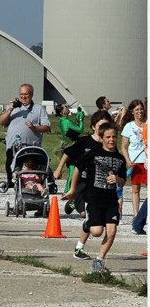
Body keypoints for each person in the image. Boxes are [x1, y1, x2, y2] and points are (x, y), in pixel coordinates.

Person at [62, 123, 126, 273]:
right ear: (102, 138)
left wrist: (117, 179)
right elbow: (77, 169)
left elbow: (123, 181)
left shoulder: (120, 159)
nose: (112, 140)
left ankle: (99, 260)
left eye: (114, 137)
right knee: (97, 232)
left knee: (111, 232)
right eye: (108, 137)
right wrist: (72, 189)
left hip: (110, 200)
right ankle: (88, 222)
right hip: (93, 198)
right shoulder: (93, 154)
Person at [54, 110, 112, 259]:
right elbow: (68, 152)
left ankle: (79, 248)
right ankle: (75, 201)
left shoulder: (109, 144)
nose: (104, 129)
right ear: (93, 126)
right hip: (82, 184)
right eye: (101, 126)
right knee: (87, 215)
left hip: (98, 187)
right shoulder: (84, 142)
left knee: (91, 218)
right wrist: (59, 169)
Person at [0, 84, 51, 187]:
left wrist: (34, 128)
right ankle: (11, 182)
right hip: (12, 145)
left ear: (31, 94)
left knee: (29, 167)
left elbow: (47, 127)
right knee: (10, 164)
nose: (23, 97)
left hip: (30, 147)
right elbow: (2, 122)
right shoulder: (14, 108)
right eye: (21, 94)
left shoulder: (39, 109)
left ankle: (30, 184)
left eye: (26, 94)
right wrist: (10, 110)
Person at [120, 99, 147, 219]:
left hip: (147, 161)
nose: (140, 111)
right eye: (137, 110)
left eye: (141, 109)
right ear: (132, 112)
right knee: (136, 188)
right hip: (135, 162)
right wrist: (128, 160)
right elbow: (123, 147)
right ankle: (137, 214)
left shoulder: (147, 124)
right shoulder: (129, 126)